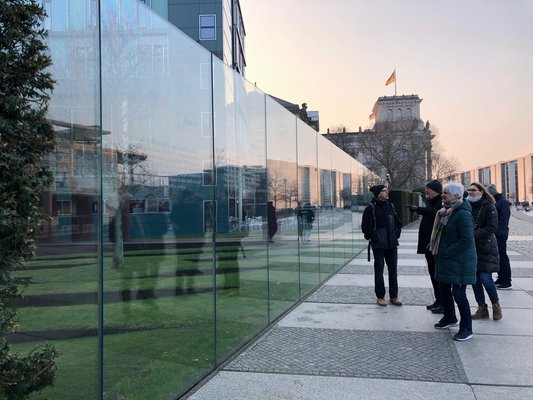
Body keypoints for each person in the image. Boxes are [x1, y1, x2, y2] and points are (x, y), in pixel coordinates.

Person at [429, 182, 476, 341]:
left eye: (446, 193)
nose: (442, 195)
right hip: (447, 260)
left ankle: (466, 328)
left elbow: (466, 240)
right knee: (444, 289)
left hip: (459, 262)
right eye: (442, 193)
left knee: (459, 294)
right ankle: (450, 317)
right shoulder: (447, 212)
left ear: (456, 196)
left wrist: (446, 252)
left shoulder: (462, 214)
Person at [361, 184, 403, 306]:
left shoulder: (391, 206)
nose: (387, 192)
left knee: (393, 271)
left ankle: (394, 296)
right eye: (384, 191)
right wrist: (375, 237)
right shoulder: (370, 208)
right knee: (379, 271)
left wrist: (397, 233)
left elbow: (397, 222)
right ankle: (380, 297)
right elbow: (365, 227)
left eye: (387, 190)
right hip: (378, 245)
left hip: (392, 244)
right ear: (378, 194)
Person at [467, 182, 502, 321]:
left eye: (473, 190)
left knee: (485, 279)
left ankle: (496, 306)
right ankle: (482, 308)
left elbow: (491, 227)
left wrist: (472, 234)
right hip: (472, 248)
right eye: (469, 190)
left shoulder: (489, 206)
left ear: (481, 192)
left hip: (486, 247)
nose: (470, 192)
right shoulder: (467, 206)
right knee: (474, 280)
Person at [408, 180, 443, 313]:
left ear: (436, 191)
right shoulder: (433, 202)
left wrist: (418, 209)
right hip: (430, 246)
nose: (426, 191)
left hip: (434, 246)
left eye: (429, 189)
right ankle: (438, 300)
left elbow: (435, 213)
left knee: (437, 274)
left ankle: (442, 302)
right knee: (433, 273)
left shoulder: (440, 203)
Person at [487, 184, 512, 289]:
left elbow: (504, 219)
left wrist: (497, 231)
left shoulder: (502, 202)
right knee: (499, 256)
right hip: (497, 232)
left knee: (502, 256)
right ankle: (501, 278)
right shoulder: (497, 201)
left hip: (500, 233)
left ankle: (506, 280)